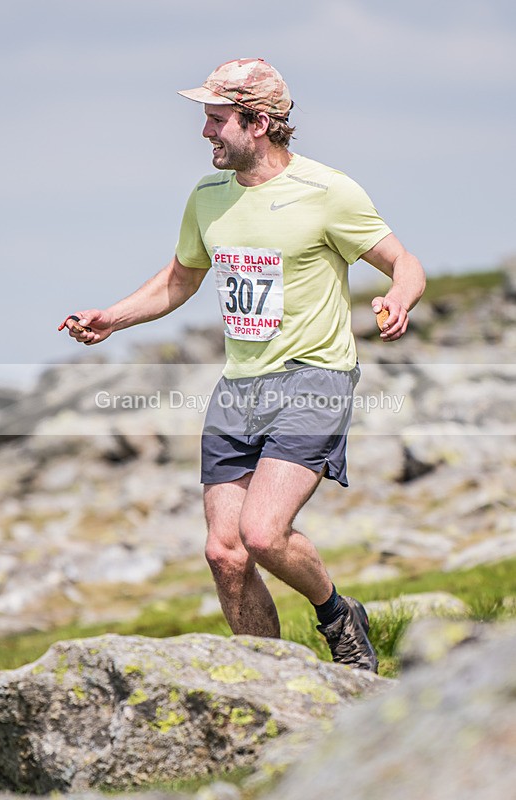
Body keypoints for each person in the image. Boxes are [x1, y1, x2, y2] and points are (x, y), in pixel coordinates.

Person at [60, 57, 426, 673]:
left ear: (257, 123)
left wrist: (399, 296)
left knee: (262, 533)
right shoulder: (207, 196)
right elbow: (181, 279)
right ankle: (269, 682)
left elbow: (405, 262)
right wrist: (112, 318)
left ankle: (338, 614)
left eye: (216, 119)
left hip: (315, 377)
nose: (205, 132)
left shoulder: (326, 191)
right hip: (239, 386)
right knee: (225, 553)